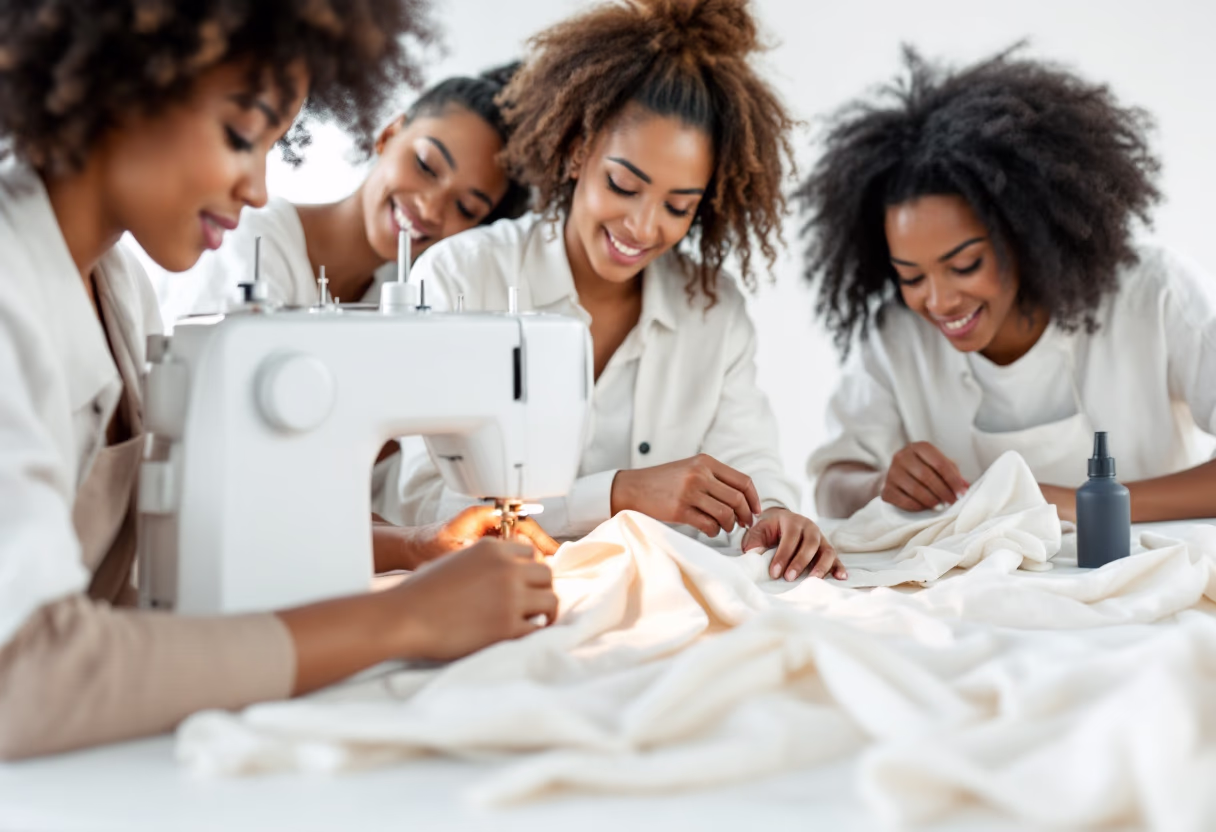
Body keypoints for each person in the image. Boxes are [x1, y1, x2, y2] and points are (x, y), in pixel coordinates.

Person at [0, 0, 556, 760]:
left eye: (274, 145)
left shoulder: (114, 282)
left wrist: (413, 549)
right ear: (119, 82)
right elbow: (22, 674)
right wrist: (403, 622)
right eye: (240, 135)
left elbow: (179, 548)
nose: (260, 188)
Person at [399, 0, 845, 583]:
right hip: (499, 597)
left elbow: (752, 462)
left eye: (677, 206)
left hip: (666, 607)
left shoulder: (713, 310)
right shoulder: (459, 278)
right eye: (623, 184)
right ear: (579, 147)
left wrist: (777, 517)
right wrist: (617, 495)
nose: (642, 226)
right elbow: (424, 506)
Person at [798, 48, 1216, 522]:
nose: (937, 301)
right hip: (980, 592)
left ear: (1024, 232)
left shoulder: (1155, 293)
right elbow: (831, 488)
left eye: (966, 264)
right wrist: (880, 485)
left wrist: (1075, 505)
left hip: (1150, 580)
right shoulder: (899, 335)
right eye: (911, 276)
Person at [160, 63, 530, 319]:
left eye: (466, 207)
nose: (431, 209)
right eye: (426, 166)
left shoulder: (403, 296)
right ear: (388, 134)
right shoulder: (248, 244)